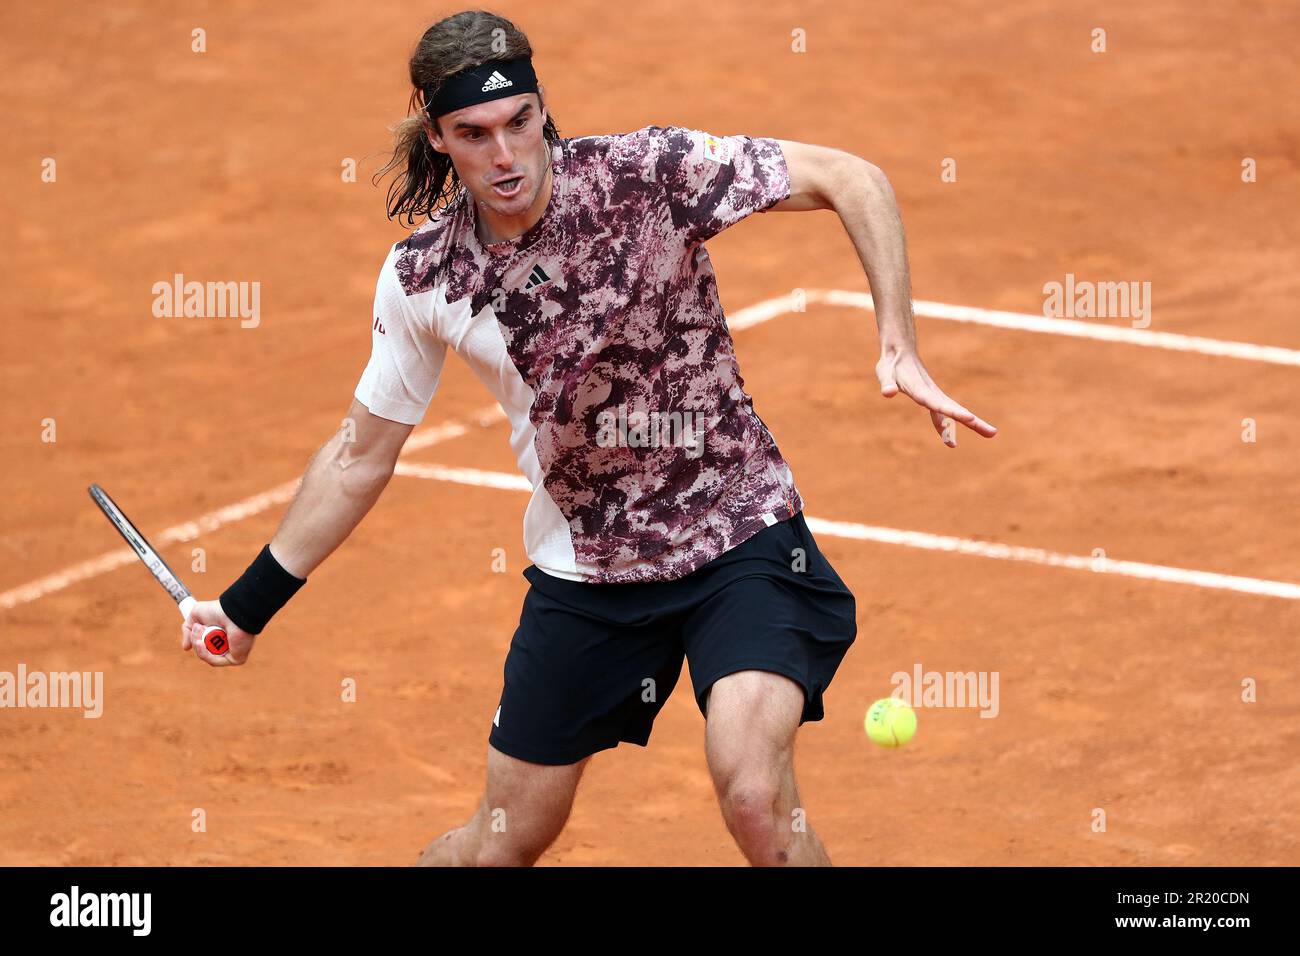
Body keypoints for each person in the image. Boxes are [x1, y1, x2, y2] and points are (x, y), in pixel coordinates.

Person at [182, 10, 996, 867]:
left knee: (753, 793)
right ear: (438, 136)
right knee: (497, 846)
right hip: (589, 575)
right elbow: (359, 456)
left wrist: (898, 340)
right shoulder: (427, 276)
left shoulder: (646, 174)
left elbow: (850, 176)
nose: (504, 156)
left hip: (739, 532)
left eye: (520, 123)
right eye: (474, 134)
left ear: (542, 109)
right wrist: (245, 607)